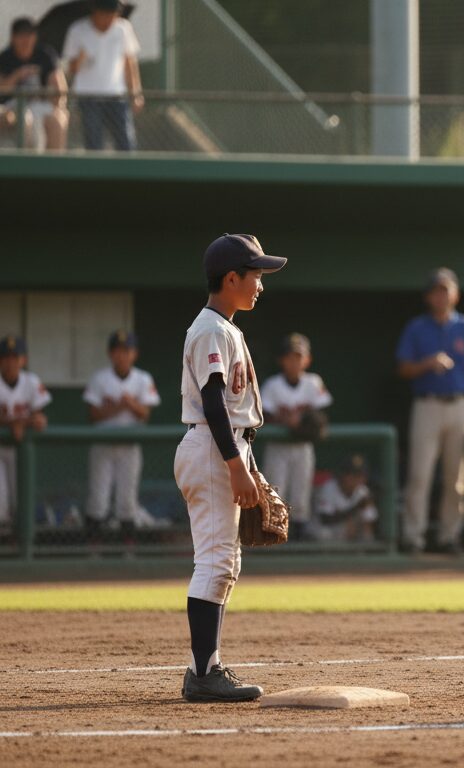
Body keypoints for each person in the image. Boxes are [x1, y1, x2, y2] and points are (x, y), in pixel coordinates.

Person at [174, 233, 286, 702]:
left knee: (225, 561)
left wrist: (246, 465)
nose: (261, 284)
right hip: (212, 446)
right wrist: (235, 465)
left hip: (222, 447)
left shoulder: (224, 327)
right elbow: (214, 402)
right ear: (231, 278)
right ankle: (204, 674)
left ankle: (206, 665)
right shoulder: (211, 330)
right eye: (255, 275)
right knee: (215, 561)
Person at [397, 268, 464, 554]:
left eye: (446, 290)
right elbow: (403, 369)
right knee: (420, 475)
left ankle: (448, 536)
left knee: (456, 479)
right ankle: (413, 537)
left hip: (459, 406)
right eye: (436, 291)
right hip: (427, 404)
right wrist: (427, 363)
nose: (441, 296)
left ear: (456, 295)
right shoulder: (417, 327)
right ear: (428, 297)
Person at [83, 330, 161, 533]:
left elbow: (145, 414)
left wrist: (130, 404)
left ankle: (128, 544)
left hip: (129, 446)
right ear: (110, 353)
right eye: (117, 351)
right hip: (103, 445)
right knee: (98, 498)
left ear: (134, 354)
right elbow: (93, 415)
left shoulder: (143, 378)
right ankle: (94, 545)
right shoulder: (99, 378)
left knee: (127, 500)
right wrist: (120, 406)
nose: (122, 355)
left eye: (126, 351)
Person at [260, 333, 332, 538]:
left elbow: (321, 413)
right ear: (281, 360)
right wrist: (285, 420)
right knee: (275, 492)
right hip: (278, 447)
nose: (294, 362)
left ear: (307, 360)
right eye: (290, 357)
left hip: (302, 446)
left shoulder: (313, 382)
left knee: (301, 495)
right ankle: (273, 538)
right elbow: (264, 414)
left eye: (298, 357)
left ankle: (298, 538)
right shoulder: (272, 385)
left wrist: (300, 420)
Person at [62, 0, 142, 151]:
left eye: (113, 15)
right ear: (95, 12)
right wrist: (82, 57)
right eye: (105, 15)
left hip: (116, 95)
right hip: (88, 96)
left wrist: (136, 93)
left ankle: (127, 167)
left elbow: (130, 63)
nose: (109, 20)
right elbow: (71, 68)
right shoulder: (78, 30)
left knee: (126, 142)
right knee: (94, 142)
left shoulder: (123, 28)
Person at [0, 335, 51, 532]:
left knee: (21, 501)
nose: (10, 362)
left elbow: (38, 416)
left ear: (24, 360)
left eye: (15, 357)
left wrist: (30, 421)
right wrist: (16, 422)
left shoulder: (31, 381)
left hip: (21, 450)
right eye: (6, 357)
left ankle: (17, 542)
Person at [0, 17, 68, 150]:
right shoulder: (5, 57)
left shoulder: (45, 55)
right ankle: (29, 159)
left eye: (29, 35)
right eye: (21, 35)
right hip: (13, 106)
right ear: (13, 38)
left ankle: (54, 161)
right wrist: (18, 75)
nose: (26, 40)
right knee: (25, 119)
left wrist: (58, 105)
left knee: (57, 120)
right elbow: (2, 88)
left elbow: (59, 87)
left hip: (41, 104)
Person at [313, 454, 378, 542]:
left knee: (367, 536)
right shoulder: (328, 488)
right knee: (324, 533)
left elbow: (368, 523)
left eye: (360, 475)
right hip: (322, 530)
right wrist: (356, 508)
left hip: (349, 531)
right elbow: (325, 520)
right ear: (342, 475)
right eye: (353, 475)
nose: (357, 479)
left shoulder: (363, 491)